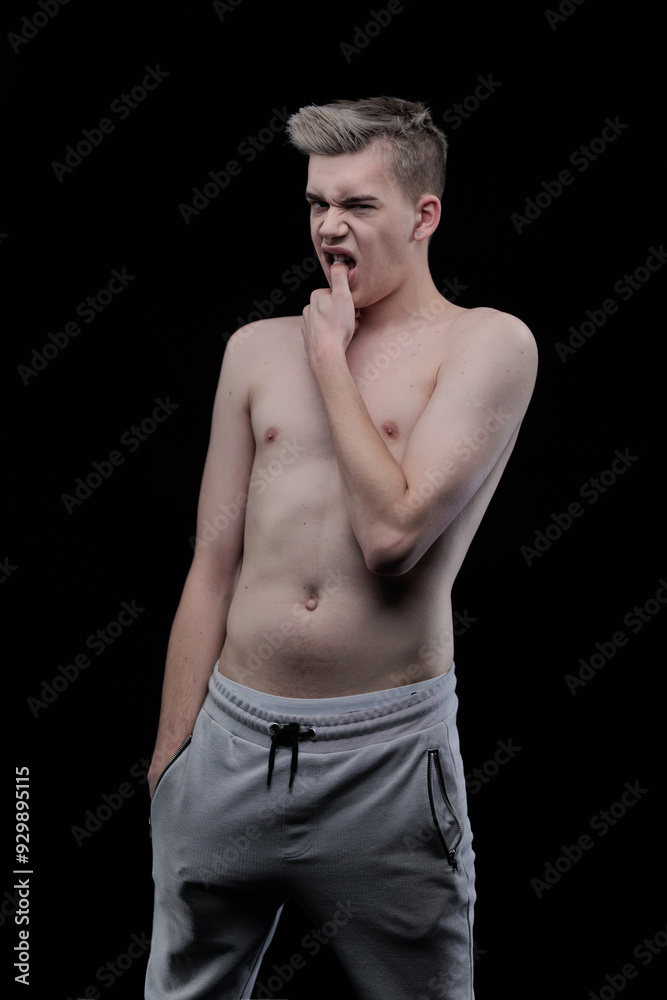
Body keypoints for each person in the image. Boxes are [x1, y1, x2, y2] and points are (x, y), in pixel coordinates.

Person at [145, 96, 538, 1000]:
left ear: (423, 214)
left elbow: (393, 538)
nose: (329, 227)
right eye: (317, 204)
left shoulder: (487, 343)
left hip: (385, 761)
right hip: (229, 748)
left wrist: (331, 360)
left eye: (357, 205)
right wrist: (172, 764)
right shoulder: (253, 350)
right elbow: (212, 568)